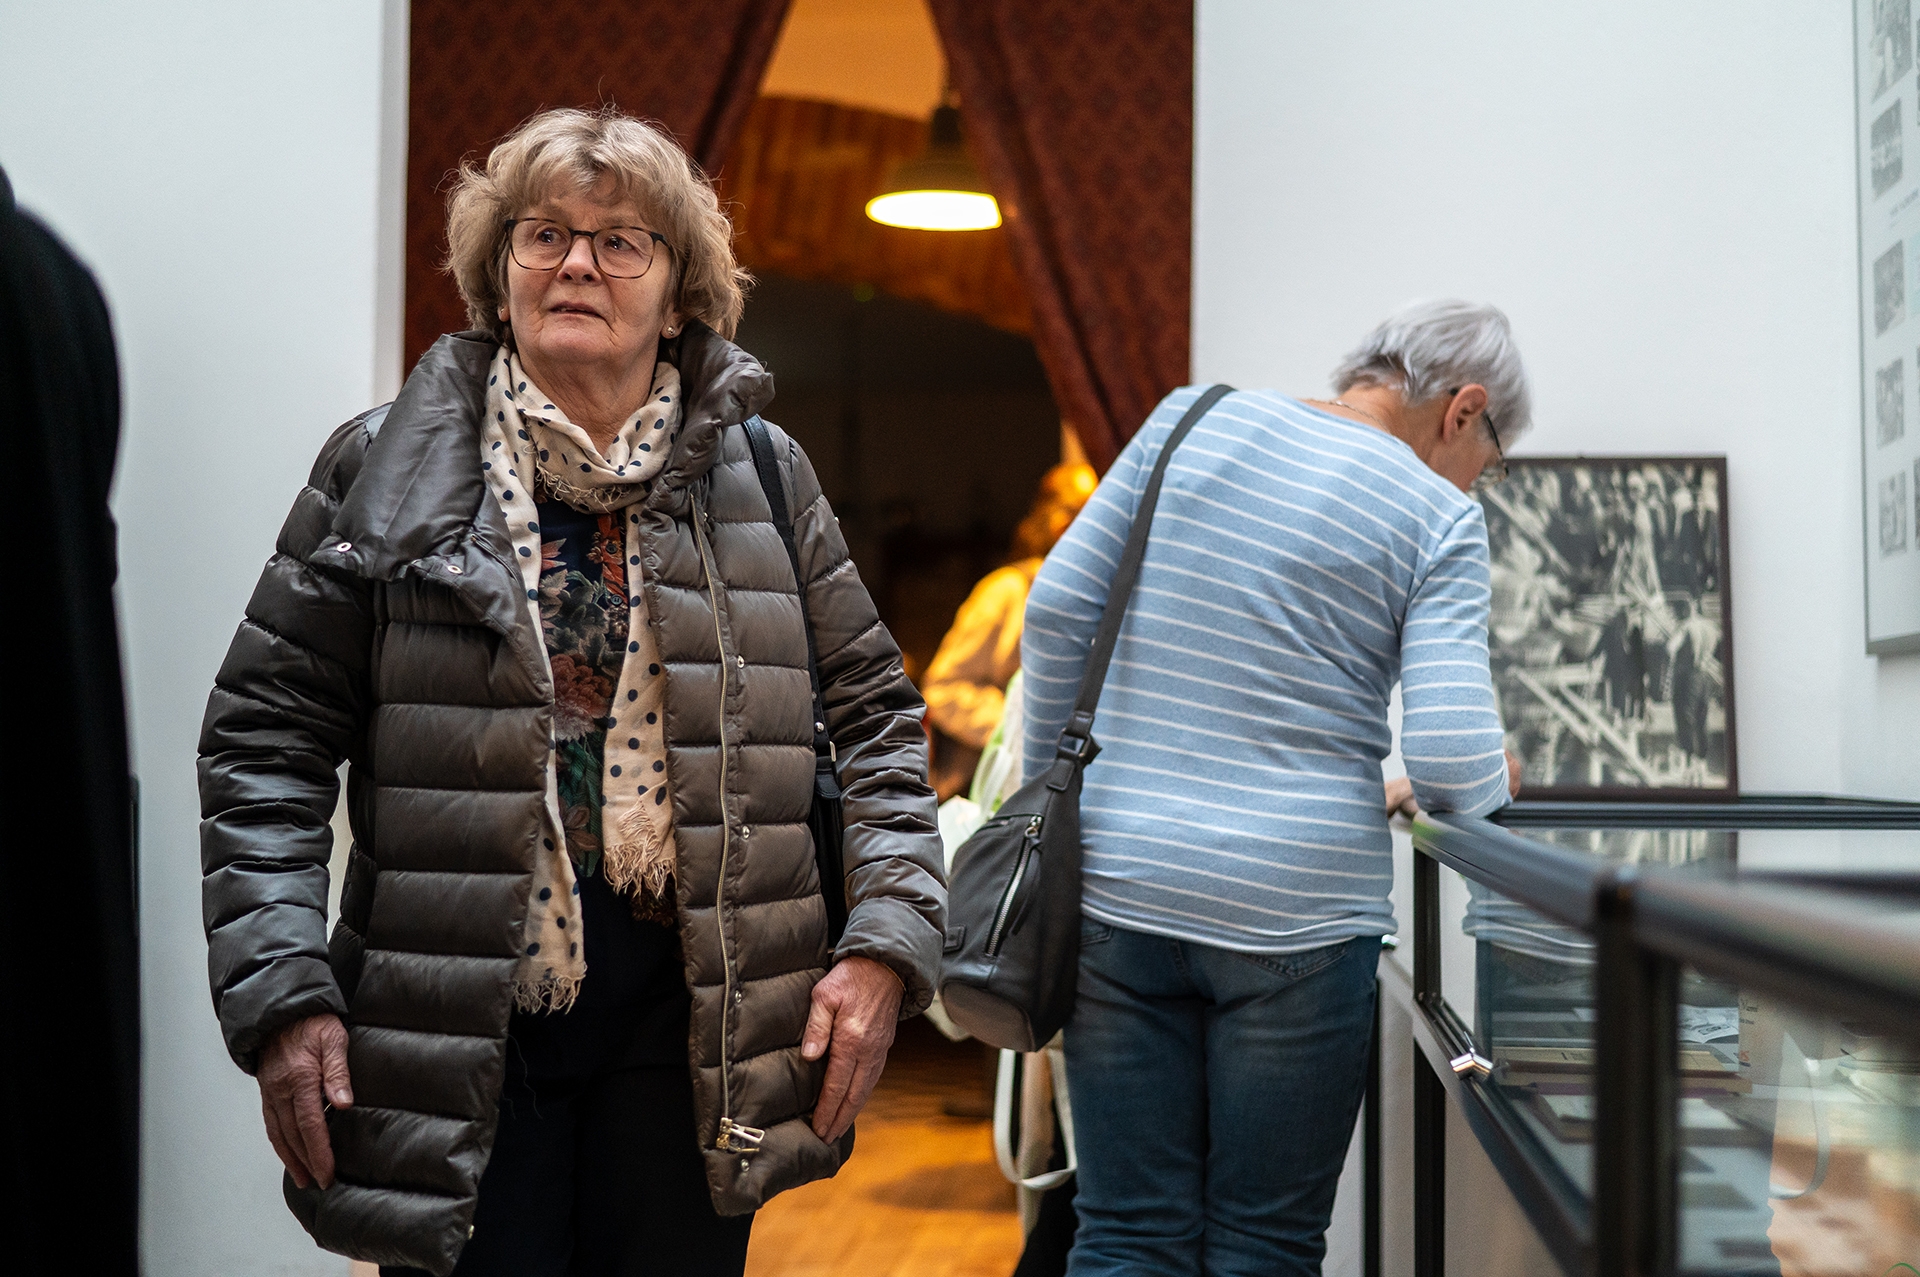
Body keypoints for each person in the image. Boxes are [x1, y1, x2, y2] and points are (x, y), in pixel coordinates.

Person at [197, 107, 946, 1277]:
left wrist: (887, 941)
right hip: (454, 1021)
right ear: (500, 276)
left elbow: (877, 721)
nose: (577, 263)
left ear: (679, 295)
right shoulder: (386, 464)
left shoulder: (764, 472)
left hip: (699, 1025)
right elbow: (264, 740)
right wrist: (282, 988)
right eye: (543, 234)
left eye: (621, 241)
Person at [1022, 299, 1528, 1275]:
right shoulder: (1439, 516)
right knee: (1264, 1243)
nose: (1482, 477)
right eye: (1493, 456)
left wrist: (1057, 809)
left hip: (1123, 889)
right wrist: (1481, 775)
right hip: (1299, 917)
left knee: (1126, 1231)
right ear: (1463, 409)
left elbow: (1054, 614)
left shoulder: (1188, 417)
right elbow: (1454, 765)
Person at [922, 461, 1096, 799]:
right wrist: (1016, 726)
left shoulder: (1091, 599)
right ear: (1061, 527)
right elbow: (942, 688)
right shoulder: (1006, 592)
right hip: (986, 796)